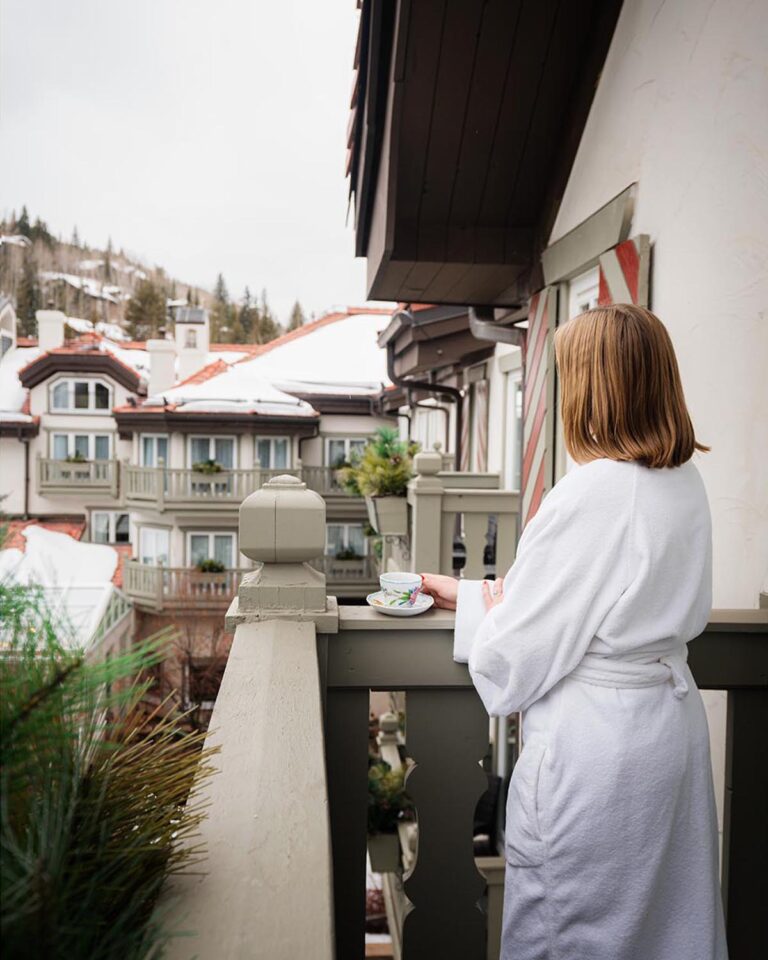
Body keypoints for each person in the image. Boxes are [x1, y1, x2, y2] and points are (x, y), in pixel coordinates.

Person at [420, 304, 727, 960]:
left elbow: (511, 664)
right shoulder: (683, 483)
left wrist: (489, 611)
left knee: (575, 933)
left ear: (592, 387)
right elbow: (600, 609)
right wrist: (483, 597)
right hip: (667, 734)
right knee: (662, 932)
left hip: (600, 760)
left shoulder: (593, 495)